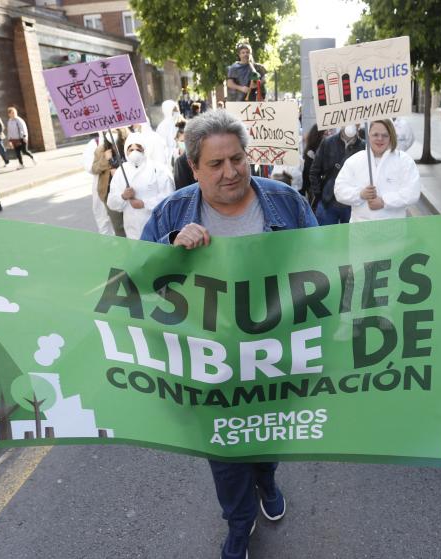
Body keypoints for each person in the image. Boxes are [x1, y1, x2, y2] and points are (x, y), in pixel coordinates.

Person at [141, 110, 317, 559]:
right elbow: (135, 279)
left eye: (237, 159)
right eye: (215, 165)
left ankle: (268, 478)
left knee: (267, 434)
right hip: (207, 362)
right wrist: (171, 248)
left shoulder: (286, 202)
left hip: (276, 356)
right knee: (224, 448)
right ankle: (240, 523)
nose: (230, 172)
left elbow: (323, 266)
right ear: (194, 168)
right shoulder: (171, 213)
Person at [334, 119, 420, 222]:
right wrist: (360, 194)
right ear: (368, 135)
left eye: (385, 135)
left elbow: (412, 193)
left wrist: (384, 201)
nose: (380, 138)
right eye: (375, 134)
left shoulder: (404, 161)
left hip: (393, 234)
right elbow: (339, 190)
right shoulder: (354, 161)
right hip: (361, 234)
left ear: (391, 136)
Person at [107, 132, 174, 239]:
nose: (134, 152)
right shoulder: (121, 171)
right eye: (131, 149)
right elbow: (111, 203)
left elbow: (169, 198)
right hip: (132, 231)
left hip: (156, 228)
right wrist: (123, 196)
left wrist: (144, 204)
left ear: (145, 149)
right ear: (125, 151)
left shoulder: (157, 169)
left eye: (138, 149)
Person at [309, 124, 365, 224]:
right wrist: (320, 194)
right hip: (328, 201)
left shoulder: (363, 146)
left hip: (352, 203)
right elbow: (314, 171)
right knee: (325, 236)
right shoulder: (328, 142)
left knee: (350, 236)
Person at [92, 128, 129, 237]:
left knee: (134, 223)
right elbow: (94, 169)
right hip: (109, 193)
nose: (112, 132)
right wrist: (105, 159)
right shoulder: (101, 150)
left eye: (114, 130)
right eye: (110, 130)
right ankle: (125, 251)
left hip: (129, 190)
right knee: (119, 226)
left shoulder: (127, 145)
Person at [82, 133, 114, 235]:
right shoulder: (94, 144)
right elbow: (90, 168)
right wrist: (106, 159)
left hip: (122, 189)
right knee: (103, 219)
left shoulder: (125, 138)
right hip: (103, 190)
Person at [301, 124, 325, 202]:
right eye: (325, 133)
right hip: (314, 188)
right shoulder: (311, 153)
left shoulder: (311, 150)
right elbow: (310, 174)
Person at [155, 100, 180, 168]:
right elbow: (162, 146)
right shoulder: (162, 126)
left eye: (177, 109)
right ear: (168, 110)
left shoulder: (178, 123)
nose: (177, 112)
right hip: (169, 160)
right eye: (174, 110)